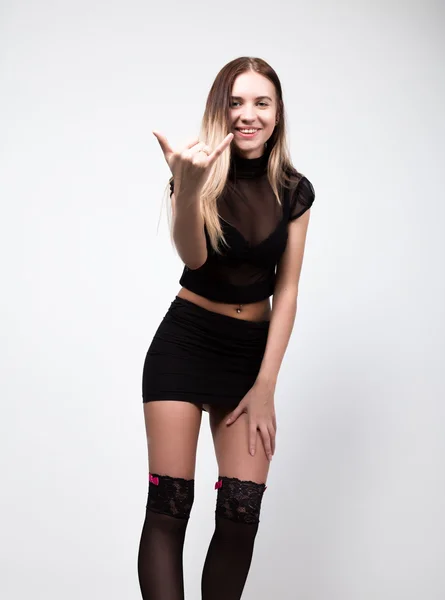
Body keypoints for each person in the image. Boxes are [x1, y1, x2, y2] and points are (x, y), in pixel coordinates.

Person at [137, 56, 316, 600]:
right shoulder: (195, 170)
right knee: (171, 505)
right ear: (221, 108)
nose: (248, 114)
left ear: (277, 111)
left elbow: (285, 291)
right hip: (185, 343)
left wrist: (265, 387)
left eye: (261, 102)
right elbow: (193, 256)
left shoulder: (294, 191)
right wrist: (186, 187)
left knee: (240, 517)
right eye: (236, 102)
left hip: (248, 356)